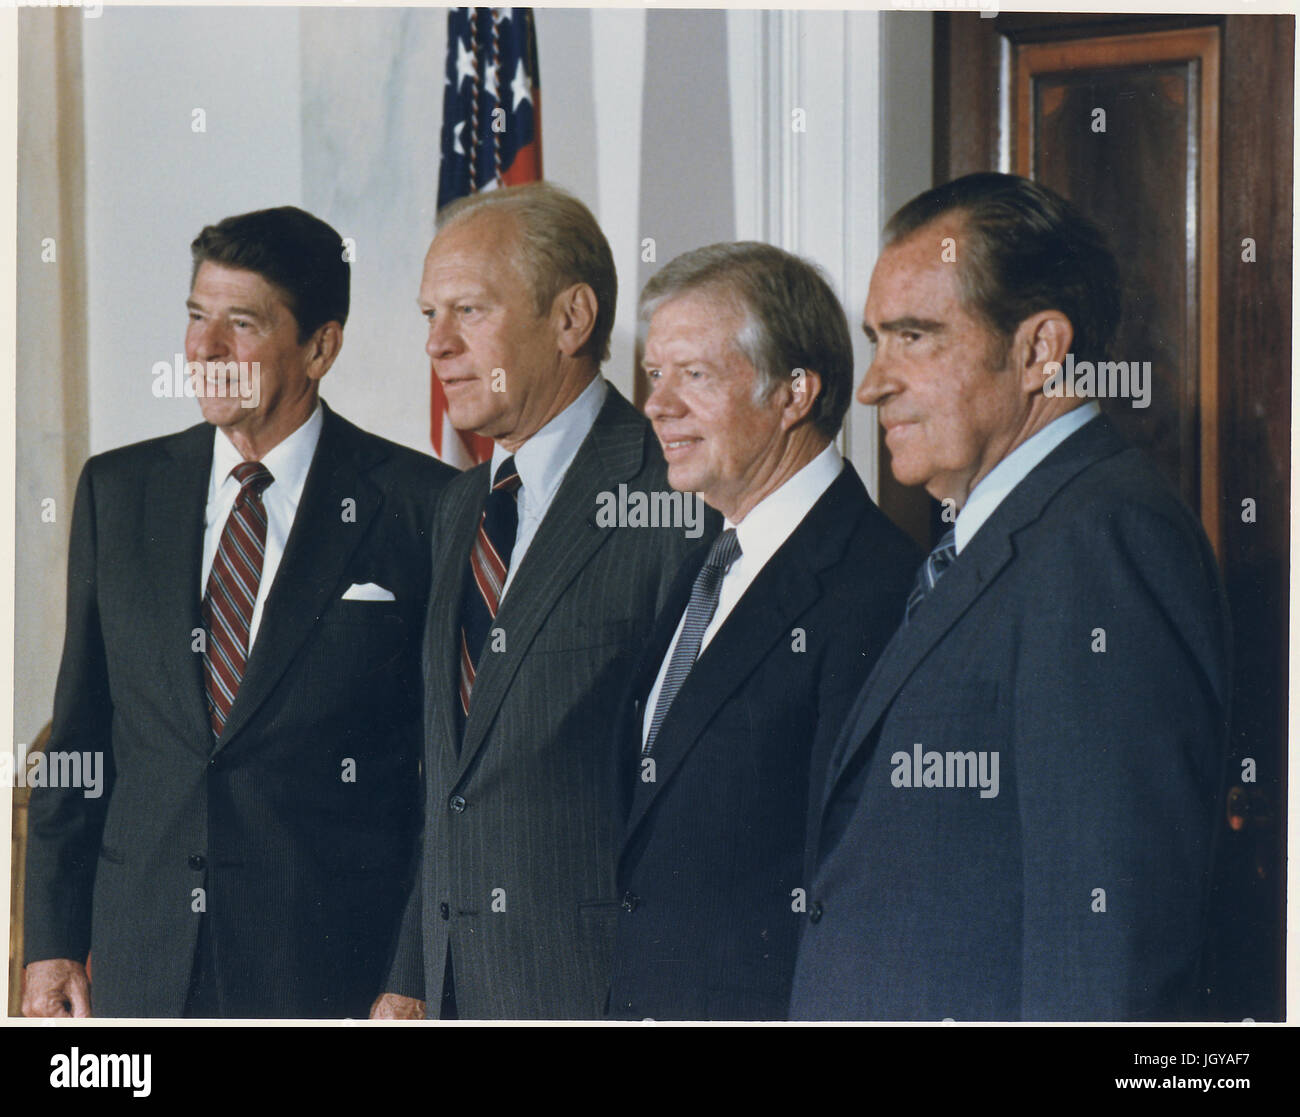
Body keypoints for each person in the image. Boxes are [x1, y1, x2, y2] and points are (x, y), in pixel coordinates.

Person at [790, 172, 1231, 1021]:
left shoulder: (1103, 542)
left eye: (914, 337)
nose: (874, 382)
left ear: (1039, 350)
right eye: (877, 338)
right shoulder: (1003, 531)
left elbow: (1108, 949)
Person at [22, 205, 454, 1018]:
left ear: (321, 345)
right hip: (142, 968)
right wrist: (48, 942)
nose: (204, 349)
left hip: (329, 972)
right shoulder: (118, 493)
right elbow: (79, 737)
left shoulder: (419, 506)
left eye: (241, 323)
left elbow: (444, 786)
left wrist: (411, 975)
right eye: (195, 316)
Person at [373, 182, 709, 1020]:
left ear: (571, 319)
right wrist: (414, 971)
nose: (438, 346)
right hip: (450, 990)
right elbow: (451, 779)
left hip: (592, 991)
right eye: (428, 316)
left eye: (469, 312)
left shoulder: (676, 495)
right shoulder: (459, 505)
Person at [603, 243, 919, 1020]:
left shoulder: (875, 584)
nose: (657, 405)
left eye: (695, 375)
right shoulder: (705, 565)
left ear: (794, 393)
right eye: (654, 375)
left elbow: (856, 882)